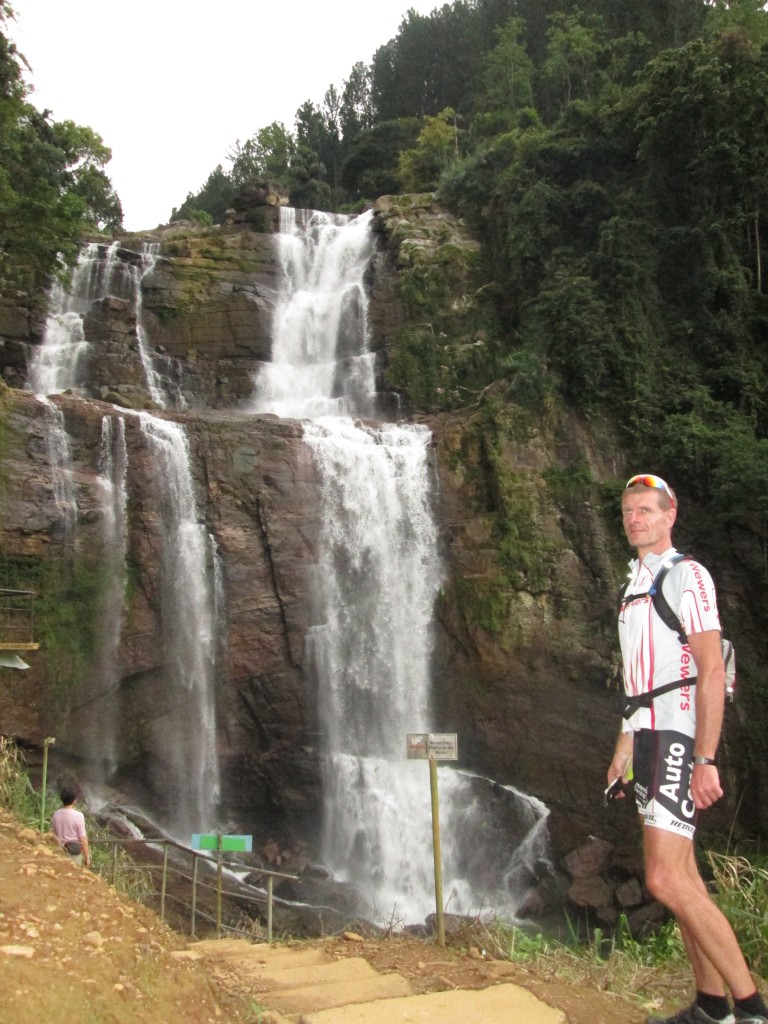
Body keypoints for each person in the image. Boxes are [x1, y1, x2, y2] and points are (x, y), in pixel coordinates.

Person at [609, 473, 768, 1024]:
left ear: (670, 515)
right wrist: (624, 745)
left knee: (665, 879)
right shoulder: (635, 584)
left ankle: (751, 1009)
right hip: (649, 732)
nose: (636, 518)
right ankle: (709, 1004)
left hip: (678, 734)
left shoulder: (685, 575)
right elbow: (640, 680)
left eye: (647, 510)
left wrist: (705, 757)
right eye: (629, 510)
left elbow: (709, 670)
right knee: (686, 877)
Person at [50, 785, 91, 869]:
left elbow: (53, 833)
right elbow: (83, 839)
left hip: (60, 851)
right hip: (73, 853)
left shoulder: (56, 814)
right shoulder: (79, 816)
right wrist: (87, 857)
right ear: (74, 800)